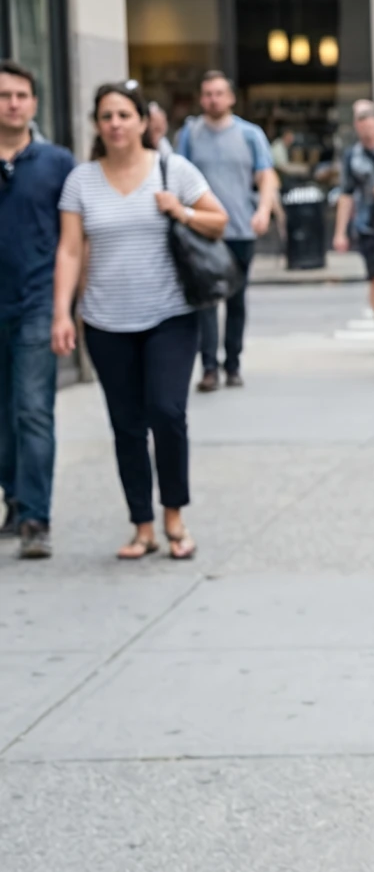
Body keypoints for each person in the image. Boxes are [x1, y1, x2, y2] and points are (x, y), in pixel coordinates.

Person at [52, 81, 228, 560]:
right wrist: (61, 313)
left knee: (168, 414)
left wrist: (182, 210)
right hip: (106, 321)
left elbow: (220, 220)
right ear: (97, 124)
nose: (115, 124)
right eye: (107, 116)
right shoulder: (81, 181)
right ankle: (142, 525)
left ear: (142, 122)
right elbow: (69, 250)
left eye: (124, 115)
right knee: (126, 425)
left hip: (169, 315)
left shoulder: (173, 169)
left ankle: (174, 514)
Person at [0, 61, 75, 560]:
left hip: (36, 304)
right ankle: (14, 498)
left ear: (35, 103)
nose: (12, 103)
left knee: (32, 410)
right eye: (4, 95)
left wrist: (66, 309)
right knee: (4, 415)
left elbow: (73, 241)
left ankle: (35, 518)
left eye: (21, 95)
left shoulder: (57, 163)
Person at [175, 70, 278, 393]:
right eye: (207, 93)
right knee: (205, 300)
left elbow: (267, 176)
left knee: (236, 299)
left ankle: (233, 363)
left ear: (231, 98)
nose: (213, 99)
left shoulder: (250, 135)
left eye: (219, 93)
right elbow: (178, 177)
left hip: (240, 230)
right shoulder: (190, 134)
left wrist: (263, 210)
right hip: (202, 231)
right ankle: (209, 367)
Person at [332, 100, 374, 353]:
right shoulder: (353, 156)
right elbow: (346, 194)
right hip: (368, 224)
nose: (365, 125)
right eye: (360, 120)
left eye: (368, 118)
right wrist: (340, 232)